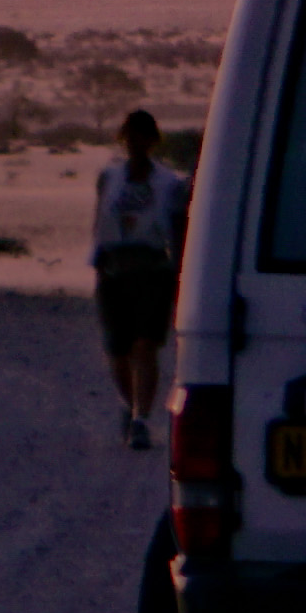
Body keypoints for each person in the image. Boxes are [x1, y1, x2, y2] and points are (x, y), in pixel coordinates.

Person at [91, 106, 188, 448]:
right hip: (114, 268)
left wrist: (180, 274)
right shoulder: (110, 178)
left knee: (145, 344)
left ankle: (141, 419)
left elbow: (178, 230)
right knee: (118, 351)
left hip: (152, 270)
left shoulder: (169, 184)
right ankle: (129, 405)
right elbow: (99, 220)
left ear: (152, 139)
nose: (134, 142)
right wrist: (98, 260)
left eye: (141, 135)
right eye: (129, 135)